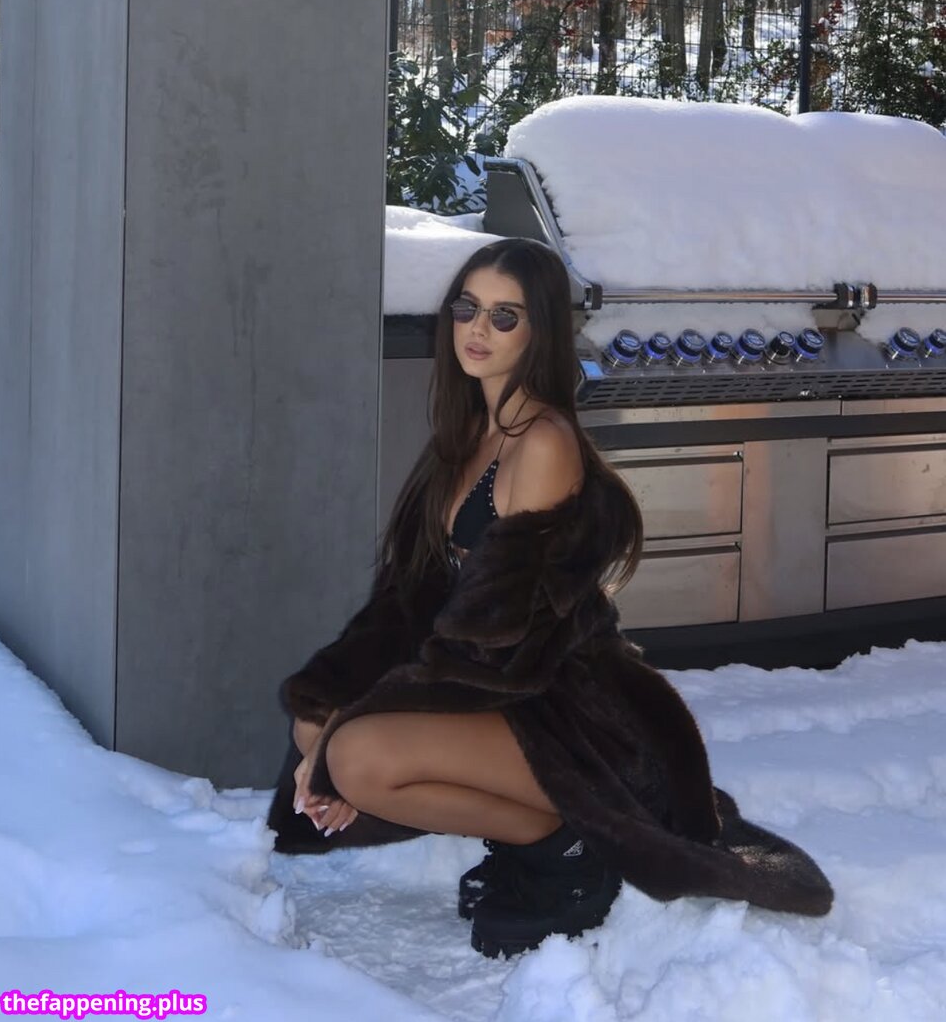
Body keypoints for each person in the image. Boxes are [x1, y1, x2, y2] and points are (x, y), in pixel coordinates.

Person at [269, 238, 833, 959]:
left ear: (539, 332)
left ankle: (566, 847)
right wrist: (331, 705)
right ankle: (539, 836)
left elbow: (500, 641)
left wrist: (351, 731)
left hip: (560, 706)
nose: (478, 329)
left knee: (355, 756)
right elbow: (402, 605)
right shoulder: (467, 434)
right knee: (316, 726)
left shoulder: (543, 442)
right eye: (467, 308)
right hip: (492, 686)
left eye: (505, 317)